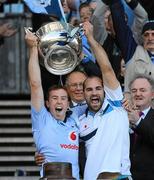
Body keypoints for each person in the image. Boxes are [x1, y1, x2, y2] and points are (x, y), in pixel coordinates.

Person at [79, 21, 131, 180]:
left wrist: (90, 38)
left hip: (119, 177)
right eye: (89, 89)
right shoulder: (79, 119)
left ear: (105, 91)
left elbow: (106, 69)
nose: (94, 93)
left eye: (98, 88)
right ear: (83, 94)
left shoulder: (116, 104)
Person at [25, 31, 80, 179]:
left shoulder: (76, 119)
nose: (59, 102)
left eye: (63, 98)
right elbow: (35, 84)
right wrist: (32, 49)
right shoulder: (41, 119)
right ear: (47, 103)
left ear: (68, 103)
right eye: (54, 98)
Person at [108, 0, 154, 104]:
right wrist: (115, 3)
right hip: (133, 111)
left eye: (153, 34)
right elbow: (120, 25)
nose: (150, 38)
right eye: (146, 34)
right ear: (142, 38)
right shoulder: (133, 51)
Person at [126, 75, 154, 179]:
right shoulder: (122, 117)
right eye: (134, 90)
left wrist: (137, 121)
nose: (138, 94)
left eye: (142, 90)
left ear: (152, 95)